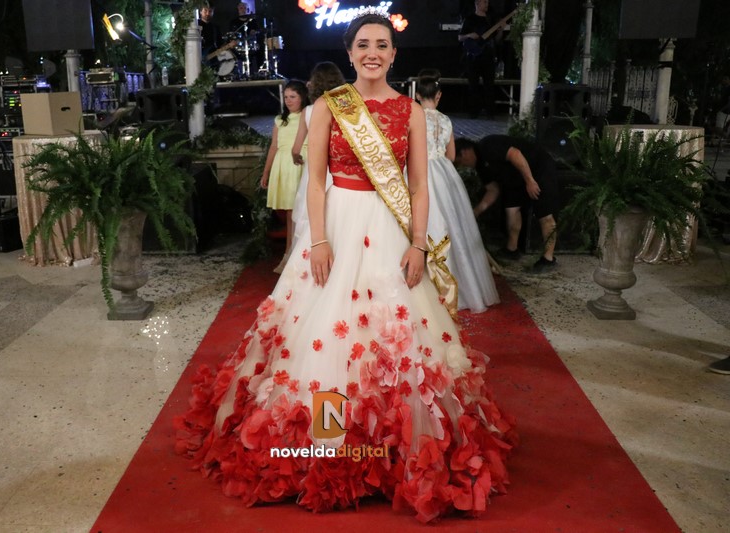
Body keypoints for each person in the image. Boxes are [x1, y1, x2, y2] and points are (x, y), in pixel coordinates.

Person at [174, 12, 515, 523]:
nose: (373, 52)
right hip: (335, 225)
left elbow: (419, 187)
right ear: (350, 52)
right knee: (326, 336)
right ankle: (328, 446)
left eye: (382, 44)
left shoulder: (410, 112)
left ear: (394, 54)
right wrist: (317, 240)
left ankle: (391, 450)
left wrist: (419, 245)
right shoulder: (328, 106)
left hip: (390, 230)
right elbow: (314, 182)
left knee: (393, 334)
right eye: (363, 44)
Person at [414, 73, 499, 312]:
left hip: (420, 171)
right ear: (439, 95)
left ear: (417, 95)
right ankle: (456, 286)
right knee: (452, 227)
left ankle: (427, 287)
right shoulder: (446, 120)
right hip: (444, 174)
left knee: (422, 223)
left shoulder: (414, 117)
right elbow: (451, 156)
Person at [456, 135, 560, 273]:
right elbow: (493, 190)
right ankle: (512, 249)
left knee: (545, 214)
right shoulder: (481, 167)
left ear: (464, 152)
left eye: (460, 162)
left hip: (537, 168)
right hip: (515, 179)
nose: (463, 166)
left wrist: (530, 181)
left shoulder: (487, 146)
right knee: (511, 211)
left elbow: (515, 154)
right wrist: (476, 211)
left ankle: (548, 258)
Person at [288, 61, 346, 259]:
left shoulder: (309, 111)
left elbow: (296, 148)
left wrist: (297, 158)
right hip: (338, 171)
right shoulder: (345, 108)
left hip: (315, 171)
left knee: (310, 216)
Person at [261, 80, 309, 273]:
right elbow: (274, 146)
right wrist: (266, 171)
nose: (288, 101)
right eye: (286, 97)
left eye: (293, 97)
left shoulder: (307, 116)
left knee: (300, 210)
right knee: (290, 211)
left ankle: (296, 253)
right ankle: (289, 253)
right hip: (284, 165)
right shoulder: (280, 120)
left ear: (302, 97)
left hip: (300, 163)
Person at [458, 0, 497, 118]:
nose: (487, 4)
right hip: (473, 56)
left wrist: (500, 30)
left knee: (489, 84)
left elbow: (496, 39)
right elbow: (460, 37)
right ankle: (474, 112)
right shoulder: (469, 19)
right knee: (473, 85)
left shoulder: (490, 19)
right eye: (484, 2)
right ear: (477, 3)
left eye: (487, 2)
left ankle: (490, 112)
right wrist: (470, 35)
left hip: (488, 56)